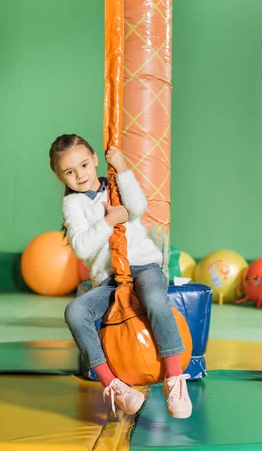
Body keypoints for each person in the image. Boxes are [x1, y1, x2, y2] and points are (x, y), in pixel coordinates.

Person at [49, 133, 192, 418]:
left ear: (94, 161)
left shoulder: (113, 183)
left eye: (84, 165)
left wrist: (123, 167)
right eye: (69, 171)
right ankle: (114, 385)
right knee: (75, 311)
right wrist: (108, 220)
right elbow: (82, 246)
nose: (80, 175)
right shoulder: (73, 205)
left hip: (142, 266)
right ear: (61, 177)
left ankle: (174, 379)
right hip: (109, 279)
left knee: (153, 298)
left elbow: (137, 207)